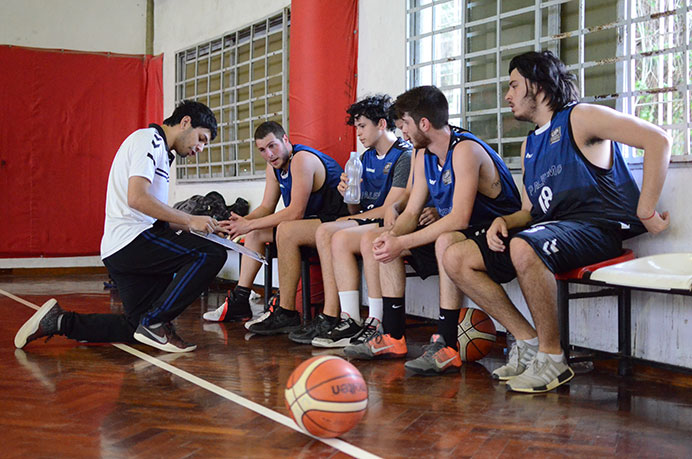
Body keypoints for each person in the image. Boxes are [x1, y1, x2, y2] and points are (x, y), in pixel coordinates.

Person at [442, 50, 671, 393]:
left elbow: (658, 139)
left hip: (596, 229)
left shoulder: (581, 117)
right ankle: (527, 341)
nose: (508, 95)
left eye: (514, 85)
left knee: (524, 245)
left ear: (538, 85)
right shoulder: (529, 144)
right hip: (550, 232)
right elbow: (530, 211)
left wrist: (645, 209)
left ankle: (552, 359)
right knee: (456, 257)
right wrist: (503, 220)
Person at [15, 100, 227, 353]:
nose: (201, 148)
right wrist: (189, 219)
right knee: (210, 254)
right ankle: (155, 322)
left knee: (134, 328)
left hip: (123, 247)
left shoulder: (161, 152)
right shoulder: (148, 140)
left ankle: (59, 321)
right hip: (132, 241)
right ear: (185, 123)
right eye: (201, 138)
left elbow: (153, 214)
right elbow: (136, 199)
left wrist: (200, 226)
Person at [344, 86, 521, 375]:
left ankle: (447, 343)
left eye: (406, 127)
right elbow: (412, 211)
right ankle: (392, 336)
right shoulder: (423, 154)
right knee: (385, 240)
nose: (404, 135)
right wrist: (392, 238)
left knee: (444, 240)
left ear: (423, 124)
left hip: (497, 234)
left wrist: (402, 242)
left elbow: (459, 219)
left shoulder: (465, 150)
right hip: (463, 234)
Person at [276, 95, 411, 344]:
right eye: (356, 127)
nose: (358, 133)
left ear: (381, 124)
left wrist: (352, 216)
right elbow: (355, 207)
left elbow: (389, 209)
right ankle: (344, 317)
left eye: (362, 126)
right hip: (366, 219)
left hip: (391, 223)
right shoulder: (364, 158)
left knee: (334, 231)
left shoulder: (404, 156)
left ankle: (365, 319)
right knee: (327, 231)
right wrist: (348, 194)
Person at [202, 121, 347, 324]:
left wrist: (249, 224)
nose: (269, 154)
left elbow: (295, 212)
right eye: (262, 150)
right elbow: (266, 208)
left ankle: (286, 311)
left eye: (272, 146)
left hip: (336, 221)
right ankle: (241, 299)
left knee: (284, 230)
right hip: (310, 223)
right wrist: (240, 222)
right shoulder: (274, 167)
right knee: (256, 233)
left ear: (285, 140)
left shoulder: (302, 160)